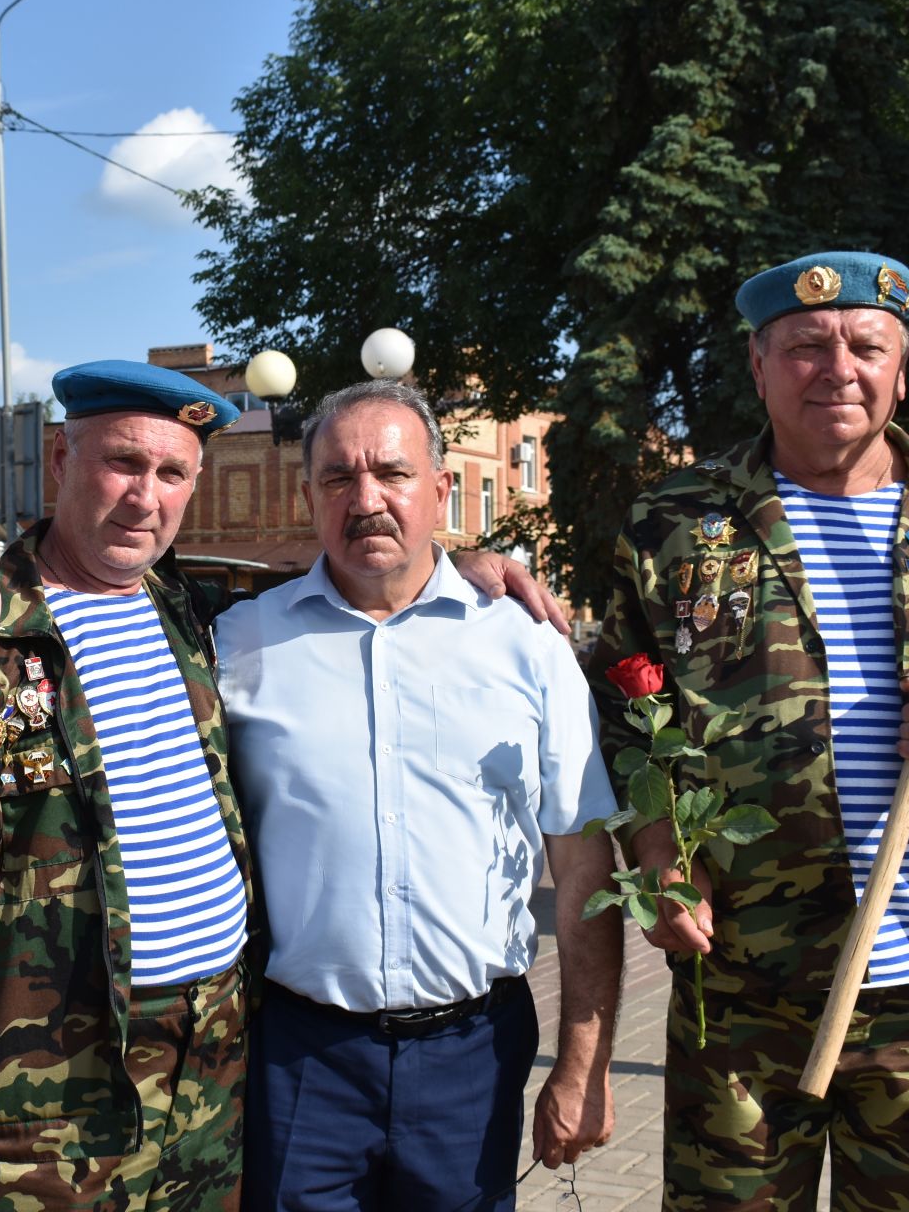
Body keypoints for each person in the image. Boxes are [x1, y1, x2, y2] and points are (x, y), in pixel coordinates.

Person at [0, 359, 560, 1211]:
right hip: (53, 1090)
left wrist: (458, 561)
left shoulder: (188, 614)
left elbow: (364, 580)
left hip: (212, 1075)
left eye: (172, 472)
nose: (144, 495)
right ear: (64, 463)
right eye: (122, 462)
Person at [587, 252, 909, 1210]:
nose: (838, 369)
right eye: (807, 347)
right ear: (759, 363)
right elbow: (617, 714)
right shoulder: (676, 524)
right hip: (737, 993)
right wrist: (657, 850)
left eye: (867, 346)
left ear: (902, 370)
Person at [217, 380, 622, 1211]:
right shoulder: (242, 643)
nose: (366, 500)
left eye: (393, 474)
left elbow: (585, 870)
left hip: (471, 1056)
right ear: (308, 497)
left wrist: (586, 1064)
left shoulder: (525, 644)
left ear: (442, 489)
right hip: (301, 1054)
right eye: (338, 478)